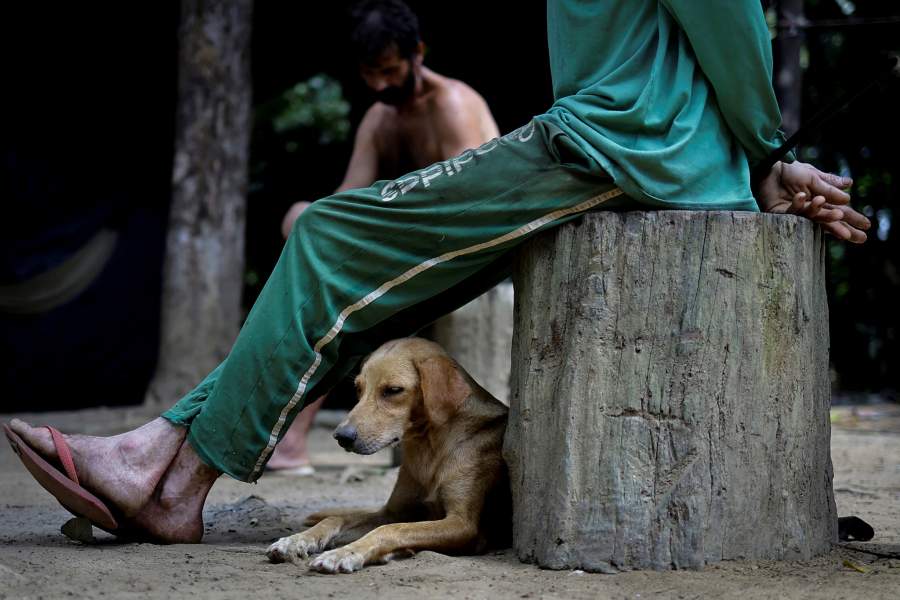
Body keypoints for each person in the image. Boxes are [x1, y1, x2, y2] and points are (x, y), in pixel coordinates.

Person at [6, 0, 870, 544]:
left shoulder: (451, 101)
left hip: (624, 140)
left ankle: (166, 470)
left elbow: (727, 22)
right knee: (344, 261)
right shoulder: (385, 117)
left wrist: (765, 154)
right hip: (613, 136)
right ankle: (160, 459)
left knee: (326, 234)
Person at [266, 0, 500, 474]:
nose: (379, 84)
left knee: (347, 306)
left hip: (462, 260)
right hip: (403, 259)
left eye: (389, 71)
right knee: (310, 246)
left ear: (418, 53)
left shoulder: (453, 106)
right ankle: (285, 440)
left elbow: (468, 213)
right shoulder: (380, 118)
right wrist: (308, 218)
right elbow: (345, 205)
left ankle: (290, 442)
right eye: (369, 73)